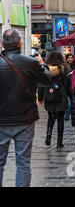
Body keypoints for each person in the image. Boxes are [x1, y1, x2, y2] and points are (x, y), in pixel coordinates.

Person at [0, 29, 50, 187]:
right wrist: (43, 65)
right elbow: (46, 82)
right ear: (20, 43)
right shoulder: (31, 63)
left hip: (1, 120)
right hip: (25, 119)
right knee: (23, 164)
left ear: (2, 44)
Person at [38, 51, 69, 149]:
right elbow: (67, 83)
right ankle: (59, 142)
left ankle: (49, 133)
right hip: (61, 95)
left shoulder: (45, 69)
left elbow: (41, 85)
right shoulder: (64, 68)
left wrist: (40, 97)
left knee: (50, 117)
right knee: (60, 119)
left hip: (49, 94)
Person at [64, 53, 74, 120]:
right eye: (69, 58)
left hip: (73, 87)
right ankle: (66, 115)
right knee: (68, 103)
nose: (70, 59)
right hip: (66, 87)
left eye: (71, 58)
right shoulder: (64, 66)